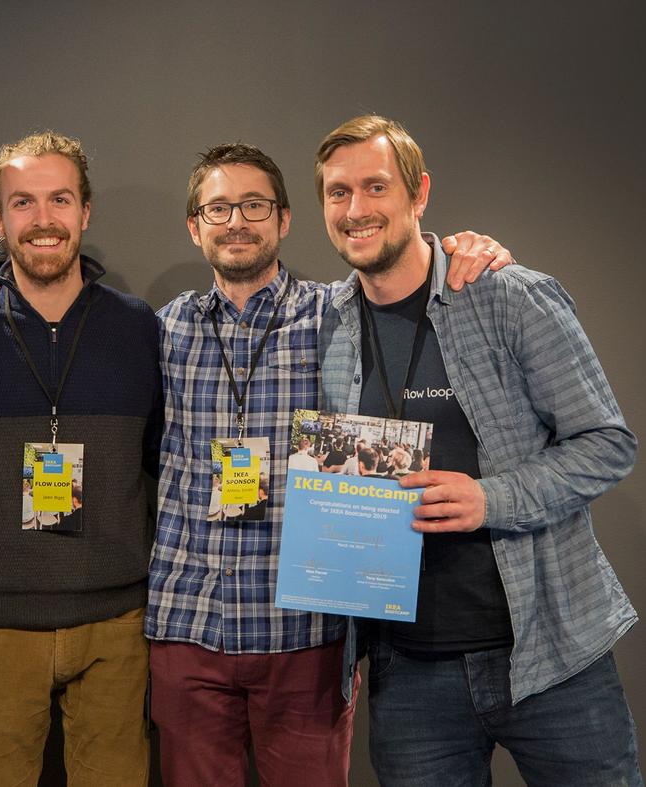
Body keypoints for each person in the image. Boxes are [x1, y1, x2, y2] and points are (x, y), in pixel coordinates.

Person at [149, 142, 513, 786]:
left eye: (255, 206)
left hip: (306, 634)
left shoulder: (339, 317)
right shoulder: (162, 330)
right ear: (193, 225)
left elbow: (417, 275)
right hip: (188, 626)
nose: (237, 222)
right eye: (219, 207)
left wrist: (474, 252)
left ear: (285, 219)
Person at [315, 114, 642, 785]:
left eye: (375, 187)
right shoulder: (324, 322)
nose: (356, 209)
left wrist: (489, 498)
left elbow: (608, 443)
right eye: (337, 192)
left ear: (419, 193)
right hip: (409, 673)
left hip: (549, 655)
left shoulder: (508, 298)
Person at [0, 131, 163, 786]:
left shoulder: (139, 326)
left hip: (118, 627)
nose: (43, 220)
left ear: (85, 211)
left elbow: (167, 459)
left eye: (60, 200)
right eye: (23, 203)